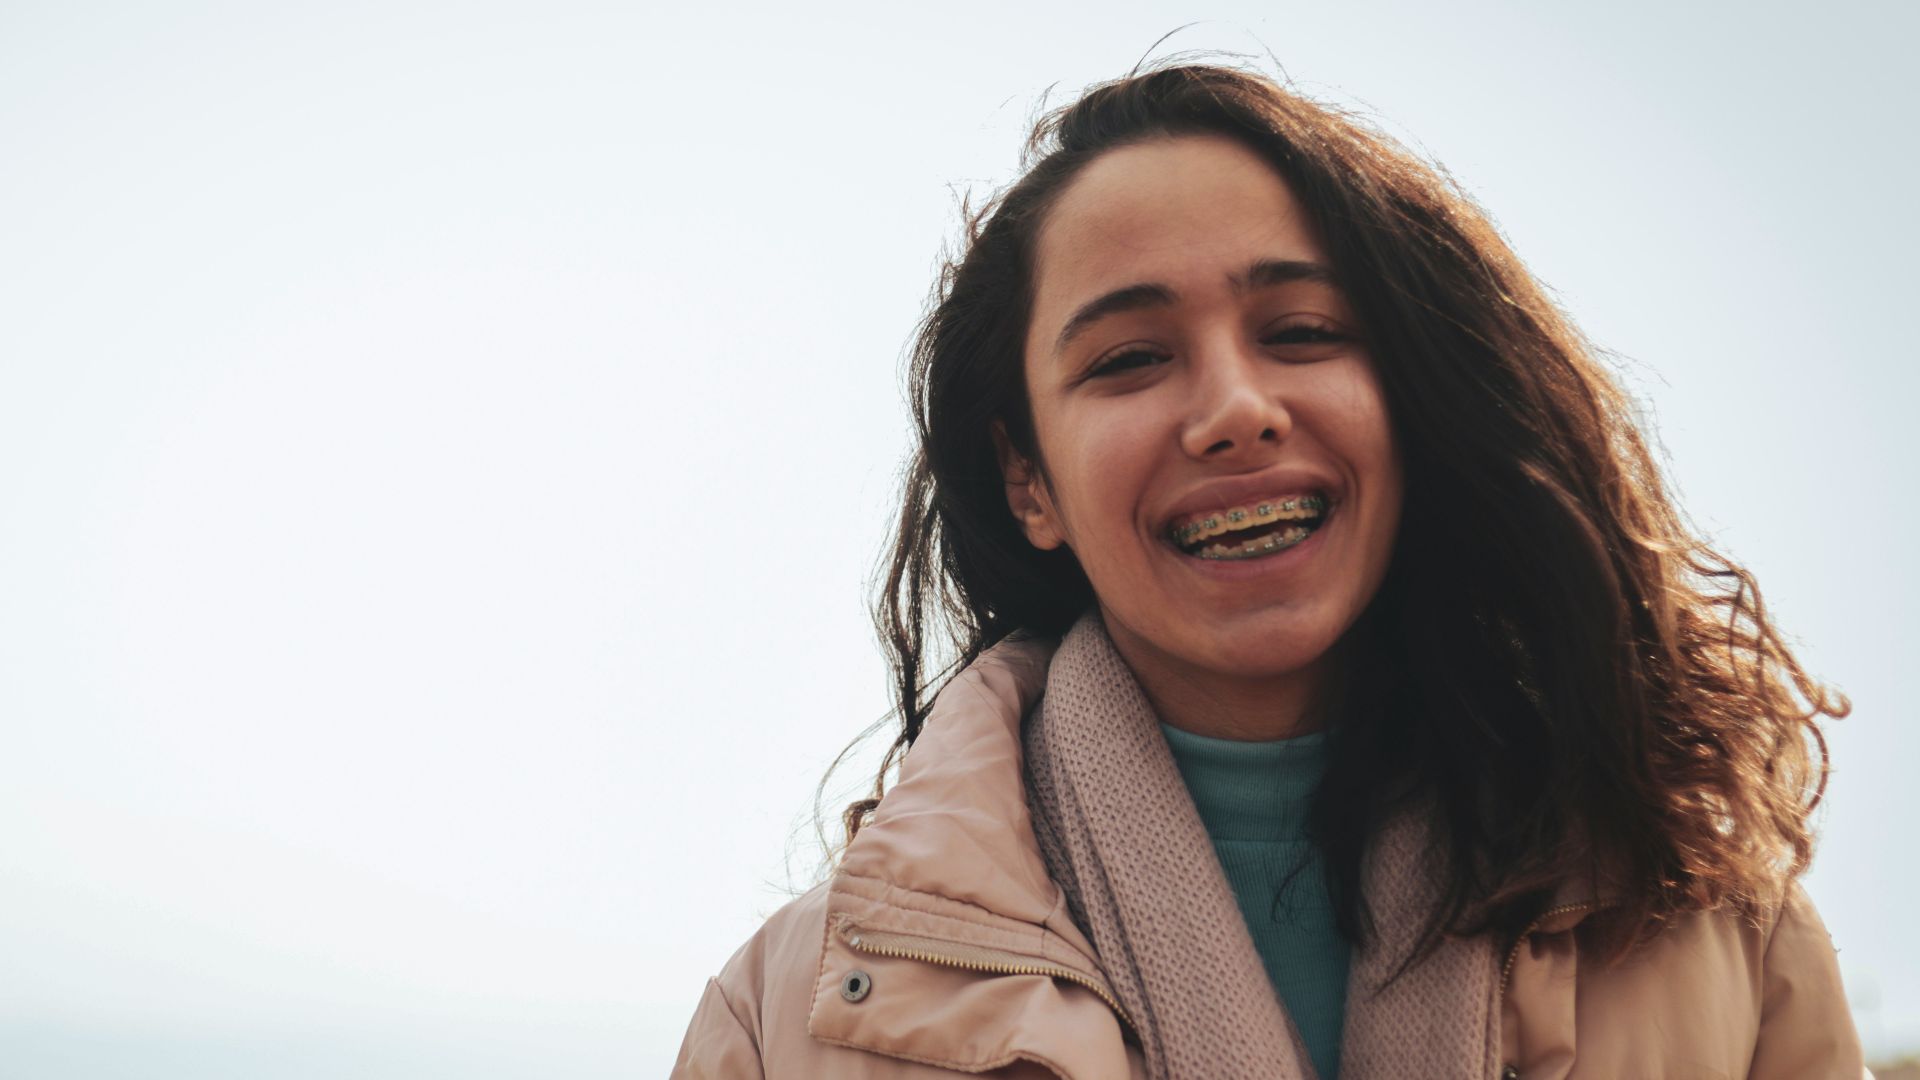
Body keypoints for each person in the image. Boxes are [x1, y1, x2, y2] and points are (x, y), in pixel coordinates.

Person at [671, 63, 1864, 1079]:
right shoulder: (792, 1020)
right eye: (1131, 359)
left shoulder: (1715, 931)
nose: (1236, 412)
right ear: (1029, 482)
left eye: (1302, 333)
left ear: (1414, 402)